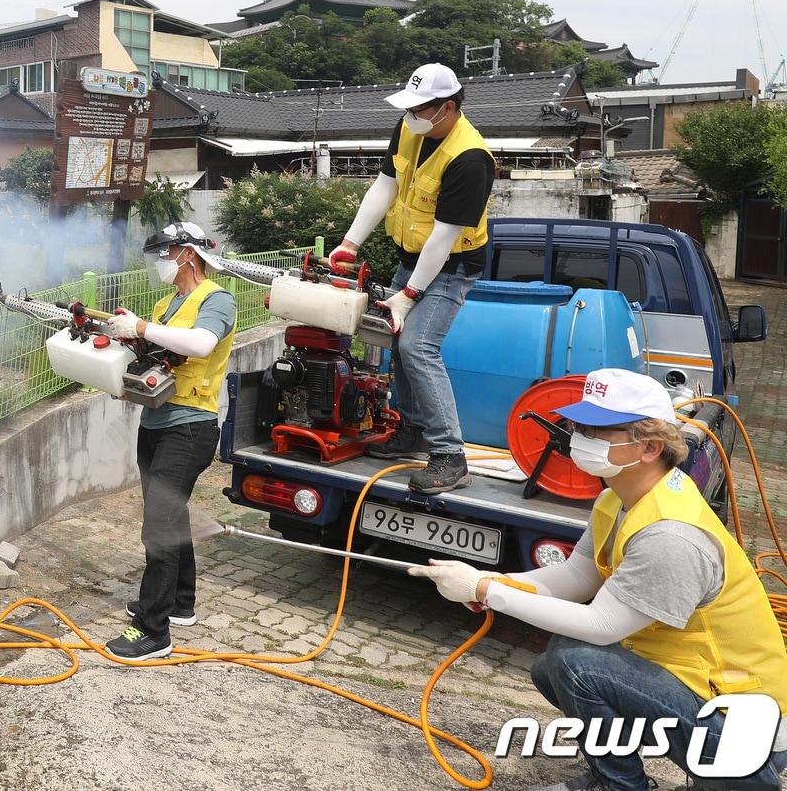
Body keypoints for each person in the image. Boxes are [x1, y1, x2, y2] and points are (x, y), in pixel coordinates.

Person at [410, 368, 787, 791]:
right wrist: (495, 580)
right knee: (554, 667)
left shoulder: (671, 534)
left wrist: (487, 591)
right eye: (578, 426)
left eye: (596, 430)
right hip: (694, 685)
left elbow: (602, 627)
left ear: (649, 448)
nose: (577, 437)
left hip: (743, 719)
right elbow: (578, 574)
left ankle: (638, 785)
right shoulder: (619, 495)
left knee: (578, 662)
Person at [329, 62, 495, 494]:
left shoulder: (470, 158)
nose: (412, 115)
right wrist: (351, 242)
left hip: (452, 265)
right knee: (399, 346)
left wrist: (409, 293)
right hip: (413, 256)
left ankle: (449, 455)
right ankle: (413, 431)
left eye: (421, 109)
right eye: (411, 107)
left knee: (418, 346)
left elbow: (445, 237)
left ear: (448, 107)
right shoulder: (410, 129)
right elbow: (384, 186)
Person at [100, 222, 237, 662]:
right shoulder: (167, 303)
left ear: (187, 255)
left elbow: (199, 344)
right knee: (170, 516)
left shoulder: (216, 299)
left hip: (190, 425)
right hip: (156, 422)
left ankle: (152, 631)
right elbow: (156, 356)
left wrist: (140, 326)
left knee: (158, 523)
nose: (158, 263)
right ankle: (179, 602)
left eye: (164, 254)